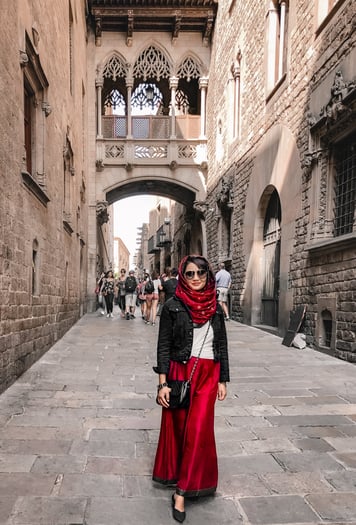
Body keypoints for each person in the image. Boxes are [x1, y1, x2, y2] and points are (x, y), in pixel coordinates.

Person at [153, 255, 230, 523]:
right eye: (189, 274)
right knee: (180, 430)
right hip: (180, 372)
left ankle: (182, 493)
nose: (195, 278)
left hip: (208, 375)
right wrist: (162, 383)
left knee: (198, 431)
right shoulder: (173, 306)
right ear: (182, 277)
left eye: (200, 273)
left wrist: (223, 379)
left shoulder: (216, 309)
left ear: (209, 276)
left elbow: (221, 346)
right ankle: (180, 477)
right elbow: (163, 346)